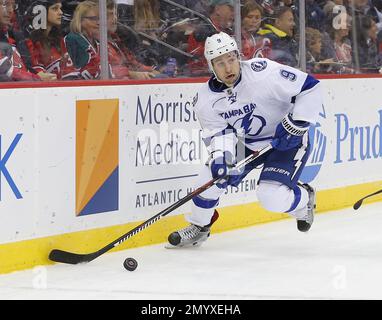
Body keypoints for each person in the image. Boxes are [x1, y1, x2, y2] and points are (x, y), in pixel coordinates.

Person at [167, 32, 322, 248]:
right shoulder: (205, 99)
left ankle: (303, 200)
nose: (228, 68)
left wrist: (298, 124)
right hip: (245, 143)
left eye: (231, 59)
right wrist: (223, 158)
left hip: (285, 139)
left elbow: (310, 86)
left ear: (238, 56)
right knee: (208, 181)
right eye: (220, 63)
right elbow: (220, 134)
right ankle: (200, 226)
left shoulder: (263, 72)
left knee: (271, 198)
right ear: (211, 66)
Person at [26, 0, 79, 80]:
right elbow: (40, 75)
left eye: (60, 8)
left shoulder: (59, 40)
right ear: (41, 12)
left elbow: (70, 72)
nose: (61, 12)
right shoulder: (31, 41)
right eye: (55, 9)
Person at [65, 1, 101, 79]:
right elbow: (69, 74)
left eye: (100, 18)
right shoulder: (72, 39)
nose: (98, 22)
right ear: (80, 20)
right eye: (94, 18)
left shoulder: (98, 42)